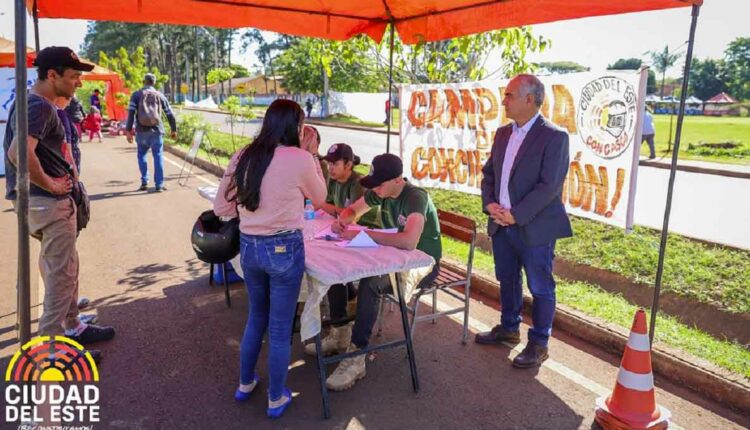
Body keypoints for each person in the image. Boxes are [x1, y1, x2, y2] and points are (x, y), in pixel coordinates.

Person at [213, 99, 326, 419]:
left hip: (249, 248)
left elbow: (222, 208)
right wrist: (312, 155)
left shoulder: (244, 155)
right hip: (284, 249)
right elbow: (320, 199)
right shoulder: (300, 159)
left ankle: (245, 383)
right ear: (297, 127)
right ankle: (276, 397)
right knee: (278, 329)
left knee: (255, 319)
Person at [3, 46, 115, 352]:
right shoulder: (39, 106)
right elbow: (18, 153)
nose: (79, 83)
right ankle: (52, 351)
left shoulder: (33, 102)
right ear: (52, 75)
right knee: (60, 279)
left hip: (41, 203)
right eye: (74, 76)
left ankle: (71, 325)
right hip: (49, 203)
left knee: (61, 270)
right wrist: (53, 186)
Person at [319, 153, 442, 391]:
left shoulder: (416, 196)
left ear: (398, 180)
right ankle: (340, 331)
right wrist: (344, 220)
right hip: (393, 257)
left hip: (423, 263)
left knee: (372, 282)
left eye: (379, 183)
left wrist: (361, 235)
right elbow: (352, 210)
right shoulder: (381, 191)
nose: (375, 188)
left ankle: (357, 355)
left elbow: (409, 242)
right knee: (338, 267)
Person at [475, 74, 572, 368]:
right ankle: (509, 328)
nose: (504, 100)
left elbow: (549, 186)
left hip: (534, 227)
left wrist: (516, 214)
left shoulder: (555, 137)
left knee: (540, 286)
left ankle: (539, 342)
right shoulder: (503, 133)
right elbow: (489, 173)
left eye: (509, 95)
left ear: (530, 99)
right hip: (501, 224)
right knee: (507, 278)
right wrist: (490, 202)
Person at [302, 143, 380, 358]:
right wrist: (329, 209)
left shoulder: (359, 183)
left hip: (369, 241)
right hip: (347, 236)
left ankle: (353, 342)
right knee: (330, 269)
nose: (331, 168)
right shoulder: (334, 180)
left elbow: (349, 214)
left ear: (348, 164)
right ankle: (340, 329)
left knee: (336, 271)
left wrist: (328, 207)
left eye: (335, 163)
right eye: (329, 163)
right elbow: (330, 207)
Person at [125, 73, 177, 192]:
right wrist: (173, 129)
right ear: (154, 83)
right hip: (157, 131)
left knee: (141, 155)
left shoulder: (136, 95)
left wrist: (128, 131)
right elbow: (170, 114)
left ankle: (144, 181)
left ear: (144, 81)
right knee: (158, 156)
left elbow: (131, 113)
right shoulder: (160, 95)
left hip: (141, 131)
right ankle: (159, 185)